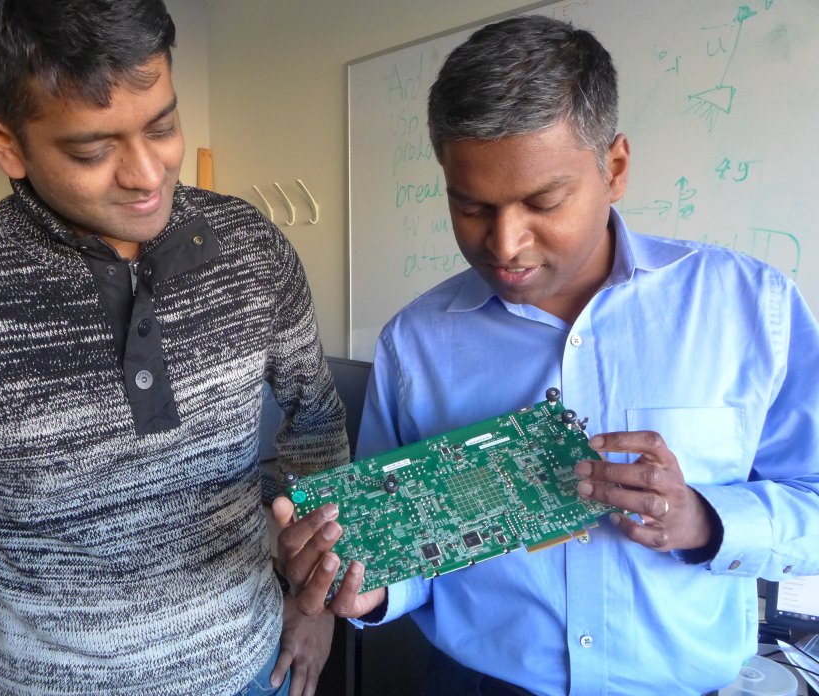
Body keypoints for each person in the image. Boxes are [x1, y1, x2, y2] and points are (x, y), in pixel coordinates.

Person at [0, 1, 348, 694]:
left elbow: (318, 420)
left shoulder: (252, 251)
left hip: (258, 667)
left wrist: (314, 600)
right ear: (4, 142)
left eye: (164, 124)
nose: (148, 176)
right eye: (93, 150)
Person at [273, 14, 819, 695]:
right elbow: (405, 547)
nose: (505, 244)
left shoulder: (750, 308)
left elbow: (812, 500)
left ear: (614, 168)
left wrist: (705, 520)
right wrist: (368, 589)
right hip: (471, 683)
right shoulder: (414, 344)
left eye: (543, 201)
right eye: (471, 207)